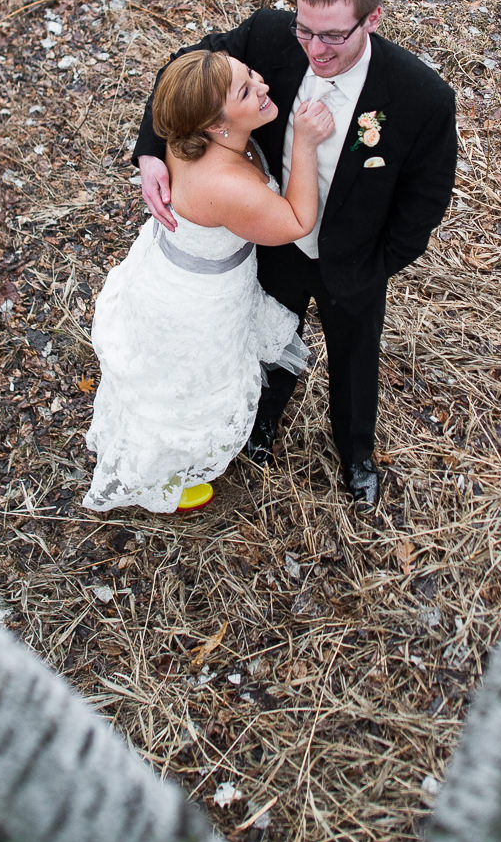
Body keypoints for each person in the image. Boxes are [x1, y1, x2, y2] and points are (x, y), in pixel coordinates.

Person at [136, 0, 457, 508]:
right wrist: (150, 152)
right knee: (267, 339)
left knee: (356, 359)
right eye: (305, 30)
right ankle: (257, 429)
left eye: (333, 35)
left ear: (372, 19)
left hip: (355, 258)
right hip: (271, 242)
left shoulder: (420, 96)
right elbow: (182, 74)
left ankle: (356, 454)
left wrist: (378, 263)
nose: (315, 49)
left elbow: (426, 198)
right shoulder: (267, 38)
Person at [82, 49, 334, 514]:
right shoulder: (224, 184)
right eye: (245, 90)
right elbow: (297, 220)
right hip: (196, 304)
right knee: (187, 391)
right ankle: (163, 475)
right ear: (216, 126)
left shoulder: (187, 137)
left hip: (169, 270)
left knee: (161, 377)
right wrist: (303, 143)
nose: (262, 86)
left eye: (252, 73)